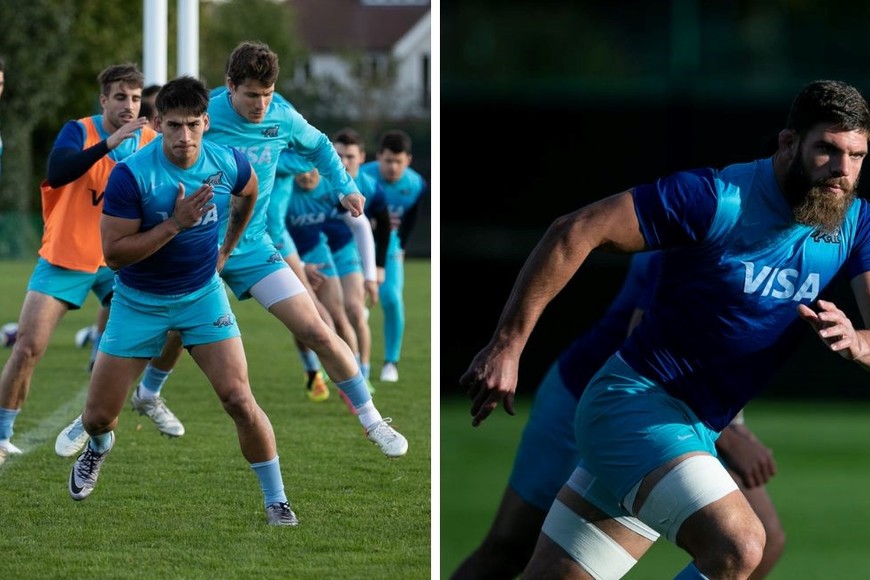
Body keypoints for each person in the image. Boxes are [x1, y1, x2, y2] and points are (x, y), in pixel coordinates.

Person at [460, 78, 870, 579]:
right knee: (740, 544)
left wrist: (859, 344)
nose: (841, 170)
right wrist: (507, 345)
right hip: (634, 405)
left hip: (692, 426)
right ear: (789, 143)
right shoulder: (717, 198)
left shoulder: (854, 222)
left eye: (856, 156)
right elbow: (574, 230)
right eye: (827, 150)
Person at [56, 41, 408, 459]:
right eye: (252, 95)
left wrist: (345, 187)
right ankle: (122, 405)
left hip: (252, 244)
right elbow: (155, 148)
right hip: (187, 244)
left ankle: (371, 419)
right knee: (173, 327)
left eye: (268, 93)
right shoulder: (204, 116)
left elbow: (318, 148)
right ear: (229, 87)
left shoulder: (283, 116)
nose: (261, 104)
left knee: (315, 328)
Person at [452, 252, 785, 580]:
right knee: (506, 551)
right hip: (594, 395)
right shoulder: (704, 217)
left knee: (754, 544)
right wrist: (729, 438)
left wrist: (732, 425)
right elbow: (645, 354)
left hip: (680, 416)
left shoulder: (789, 230)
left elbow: (725, 342)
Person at [66, 74, 300, 526]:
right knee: (97, 418)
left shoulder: (227, 160)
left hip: (202, 297)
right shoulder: (131, 175)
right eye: (174, 126)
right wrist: (175, 224)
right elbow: (114, 255)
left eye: (193, 124)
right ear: (156, 123)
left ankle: (277, 500)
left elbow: (249, 192)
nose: (184, 136)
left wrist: (227, 249)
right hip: (137, 302)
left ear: (207, 123)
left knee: (238, 398)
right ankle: (97, 448)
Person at [0, 63, 157, 465]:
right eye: (120, 97)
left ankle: (105, 417)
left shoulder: (151, 141)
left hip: (118, 260)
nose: (128, 105)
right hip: (66, 254)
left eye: (135, 98)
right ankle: (1, 435)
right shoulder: (79, 130)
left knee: (158, 334)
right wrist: (109, 143)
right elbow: (58, 170)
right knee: (29, 347)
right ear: (103, 99)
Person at [284, 155, 385, 405]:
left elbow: (360, 226)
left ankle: (358, 378)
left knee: (339, 317)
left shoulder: (330, 188)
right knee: (302, 321)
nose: (307, 177)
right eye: (301, 172)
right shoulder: (282, 192)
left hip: (319, 253)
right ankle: (313, 373)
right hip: (287, 260)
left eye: (312, 172)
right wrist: (302, 267)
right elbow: (266, 234)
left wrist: (370, 275)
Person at [360, 129, 428, 382]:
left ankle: (391, 362)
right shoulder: (362, 177)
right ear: (379, 157)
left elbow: (411, 219)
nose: (393, 167)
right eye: (388, 160)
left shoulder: (416, 185)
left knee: (392, 299)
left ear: (408, 160)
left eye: (398, 161)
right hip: (356, 245)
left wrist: (400, 247)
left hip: (389, 247)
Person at [326, 127, 391, 381]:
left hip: (347, 252)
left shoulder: (371, 188)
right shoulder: (323, 182)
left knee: (354, 310)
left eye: (350, 156)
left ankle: (363, 371)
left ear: (362, 157)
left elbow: (381, 227)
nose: (344, 162)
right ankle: (334, 369)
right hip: (317, 255)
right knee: (331, 316)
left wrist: (374, 272)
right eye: (339, 155)